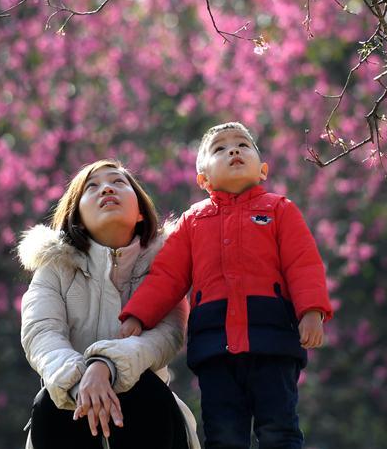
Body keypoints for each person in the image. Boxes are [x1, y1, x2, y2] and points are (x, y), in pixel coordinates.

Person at [119, 122, 333, 449]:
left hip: (273, 344)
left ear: (262, 170)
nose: (233, 150)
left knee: (279, 431)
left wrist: (312, 310)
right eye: (219, 148)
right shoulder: (193, 222)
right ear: (203, 179)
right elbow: (167, 276)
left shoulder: (280, 210)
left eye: (243, 145)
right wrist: (138, 316)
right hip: (214, 349)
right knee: (224, 436)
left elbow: (303, 264)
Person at [18, 159, 199, 449]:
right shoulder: (54, 268)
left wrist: (105, 366)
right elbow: (41, 333)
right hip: (70, 402)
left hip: (147, 413)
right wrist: (81, 382)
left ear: (140, 212)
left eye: (118, 182)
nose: (106, 189)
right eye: (92, 186)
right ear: (76, 215)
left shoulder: (165, 267)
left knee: (147, 391)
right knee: (51, 402)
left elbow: (166, 336)